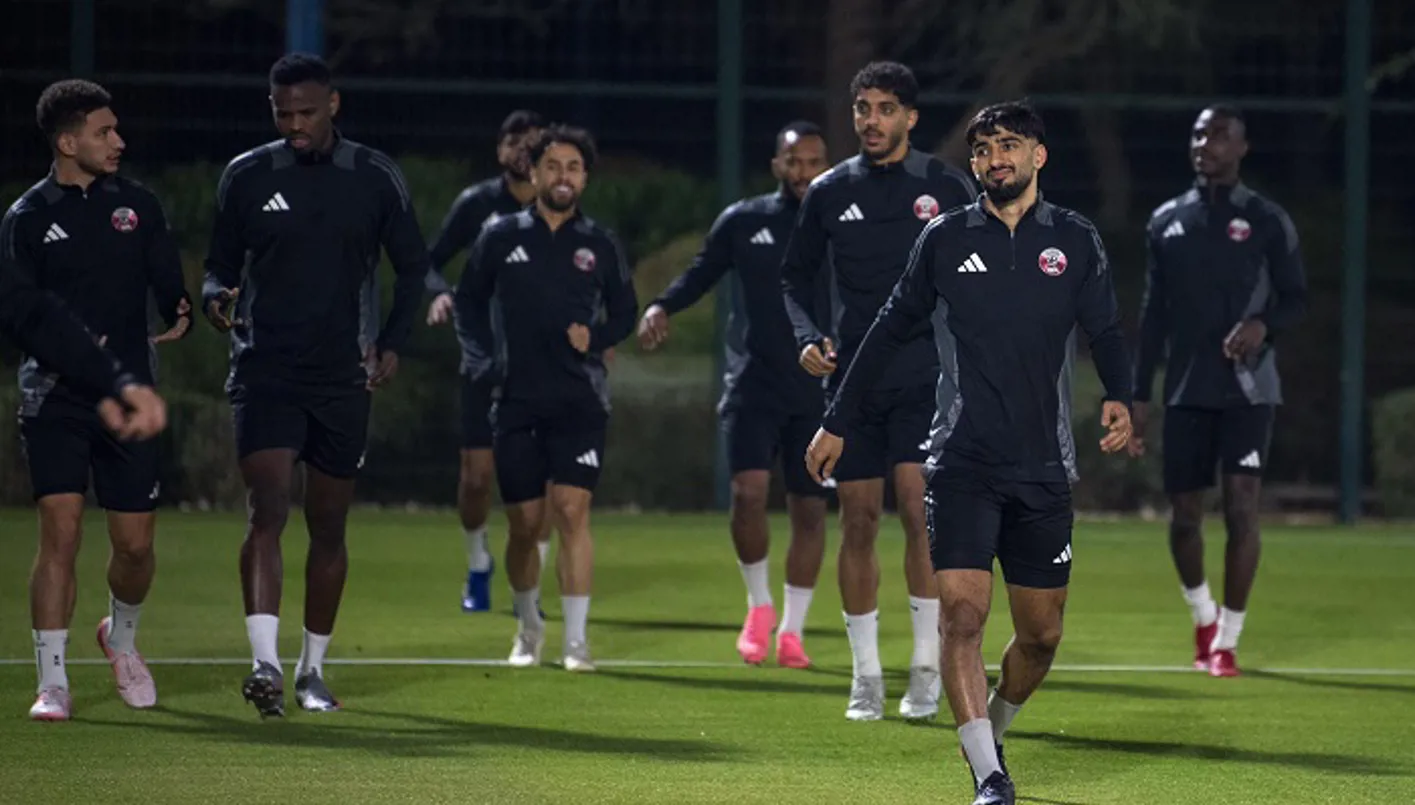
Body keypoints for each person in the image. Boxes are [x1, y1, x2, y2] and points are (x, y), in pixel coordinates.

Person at [806, 100, 1133, 805]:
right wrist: (838, 419)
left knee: (1040, 636)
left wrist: (1121, 395)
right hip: (960, 463)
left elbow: (1105, 329)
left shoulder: (1074, 239)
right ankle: (988, 774)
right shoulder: (945, 238)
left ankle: (992, 729)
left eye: (1008, 145)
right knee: (960, 615)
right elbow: (888, 329)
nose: (994, 158)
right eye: (982, 148)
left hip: (1043, 467)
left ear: (1038, 156)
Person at [202, 53, 429, 718]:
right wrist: (216, 296)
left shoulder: (375, 176)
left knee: (327, 524)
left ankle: (312, 670)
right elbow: (219, 265)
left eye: (305, 112)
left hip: (342, 375)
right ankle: (265, 665)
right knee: (267, 506)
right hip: (264, 368)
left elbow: (413, 270)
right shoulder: (247, 175)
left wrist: (391, 343)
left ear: (333, 104)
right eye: (283, 114)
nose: (295, 124)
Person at [779, 61, 976, 721]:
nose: (871, 120)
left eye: (885, 108)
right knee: (858, 519)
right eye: (862, 107)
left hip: (926, 379)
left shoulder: (944, 186)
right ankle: (865, 675)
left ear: (910, 118)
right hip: (853, 383)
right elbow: (794, 278)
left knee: (919, 512)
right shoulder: (829, 191)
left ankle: (924, 667)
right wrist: (806, 334)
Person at [4, 79, 192, 721]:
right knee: (60, 530)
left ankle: (121, 639)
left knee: (135, 547)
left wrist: (184, 308)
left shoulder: (137, 205)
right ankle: (52, 681)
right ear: (67, 142)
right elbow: (22, 315)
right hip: (54, 396)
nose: (119, 141)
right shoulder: (27, 217)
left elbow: (168, 283)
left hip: (131, 396)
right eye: (103, 132)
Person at [638, 121, 832, 668]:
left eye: (812, 162)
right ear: (776, 165)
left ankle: (793, 631)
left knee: (810, 510)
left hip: (819, 387)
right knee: (747, 495)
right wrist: (662, 306)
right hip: (753, 381)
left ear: (826, 166)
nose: (802, 172)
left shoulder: (841, 223)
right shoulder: (745, 221)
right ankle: (759, 606)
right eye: (793, 161)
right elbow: (702, 271)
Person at [1129, 104, 1307, 678]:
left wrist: (1262, 326)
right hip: (1186, 388)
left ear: (1242, 148)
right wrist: (1137, 394)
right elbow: (1153, 316)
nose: (1206, 143)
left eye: (1220, 135)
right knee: (1185, 517)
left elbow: (1296, 297)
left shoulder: (1266, 219)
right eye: (1200, 134)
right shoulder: (1166, 221)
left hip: (1249, 389)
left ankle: (1227, 640)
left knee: (1241, 507)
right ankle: (1202, 614)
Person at [455, 124, 637, 673]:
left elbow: (625, 313)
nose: (563, 177)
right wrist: (482, 360)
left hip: (580, 401)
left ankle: (576, 643)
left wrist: (596, 337)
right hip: (516, 401)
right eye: (553, 166)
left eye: (573, 168)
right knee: (525, 525)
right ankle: (528, 627)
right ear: (533, 173)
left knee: (572, 512)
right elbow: (468, 302)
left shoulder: (600, 243)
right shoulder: (500, 236)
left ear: (585, 179)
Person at [423, 110, 555, 613]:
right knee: (477, 478)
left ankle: (531, 587)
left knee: (543, 483)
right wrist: (438, 293)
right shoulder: (477, 205)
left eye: (534, 141)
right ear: (500, 150)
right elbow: (428, 261)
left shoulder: (558, 205)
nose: (524, 149)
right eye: (515, 140)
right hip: (485, 360)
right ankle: (479, 563)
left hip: (545, 365)